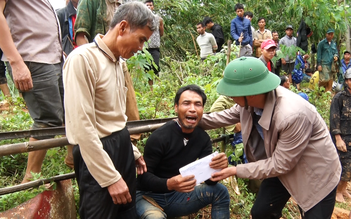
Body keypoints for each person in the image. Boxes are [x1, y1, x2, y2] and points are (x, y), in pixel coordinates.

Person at [200, 57, 341, 219]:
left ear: (250, 93)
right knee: (262, 212)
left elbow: (280, 164)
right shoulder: (250, 102)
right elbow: (224, 116)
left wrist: (235, 170)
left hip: (314, 173)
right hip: (282, 164)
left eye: (233, 93)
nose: (230, 97)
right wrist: (186, 122)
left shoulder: (292, 115)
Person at [63, 2, 156, 218]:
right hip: (96, 151)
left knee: (126, 212)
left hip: (121, 144)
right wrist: (109, 177)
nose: (141, 47)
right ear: (122, 27)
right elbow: (82, 127)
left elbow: (115, 117)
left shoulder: (118, 63)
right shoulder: (82, 59)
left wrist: (130, 150)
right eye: (141, 39)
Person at [136, 84, 230, 219]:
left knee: (220, 191)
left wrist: (217, 170)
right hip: (148, 197)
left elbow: (210, 181)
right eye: (186, 103)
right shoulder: (160, 137)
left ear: (203, 109)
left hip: (178, 196)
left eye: (198, 104)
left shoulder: (203, 139)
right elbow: (143, 179)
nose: (192, 109)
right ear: (176, 107)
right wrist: (169, 183)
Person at [0, 0, 67, 183]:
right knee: (48, 119)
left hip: (51, 57)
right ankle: (30, 179)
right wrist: (16, 62)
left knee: (67, 113)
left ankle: (72, 162)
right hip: (31, 56)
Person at [74, 0, 142, 143]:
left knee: (128, 108)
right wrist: (94, 61)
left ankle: (129, 145)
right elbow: (81, 36)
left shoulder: (122, 4)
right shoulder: (90, 2)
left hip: (118, 61)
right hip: (98, 63)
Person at [330, 69, 351, 203]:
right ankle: (337, 191)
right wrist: (338, 138)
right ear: (347, 81)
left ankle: (343, 189)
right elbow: (334, 118)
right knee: (344, 166)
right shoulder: (340, 98)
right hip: (343, 138)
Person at [144, 0, 164, 86]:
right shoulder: (141, 20)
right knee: (147, 68)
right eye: (147, 5)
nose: (149, 7)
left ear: (153, 7)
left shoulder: (158, 19)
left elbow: (161, 33)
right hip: (145, 49)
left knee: (156, 66)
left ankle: (159, 86)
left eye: (150, 5)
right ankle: (151, 88)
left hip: (155, 47)